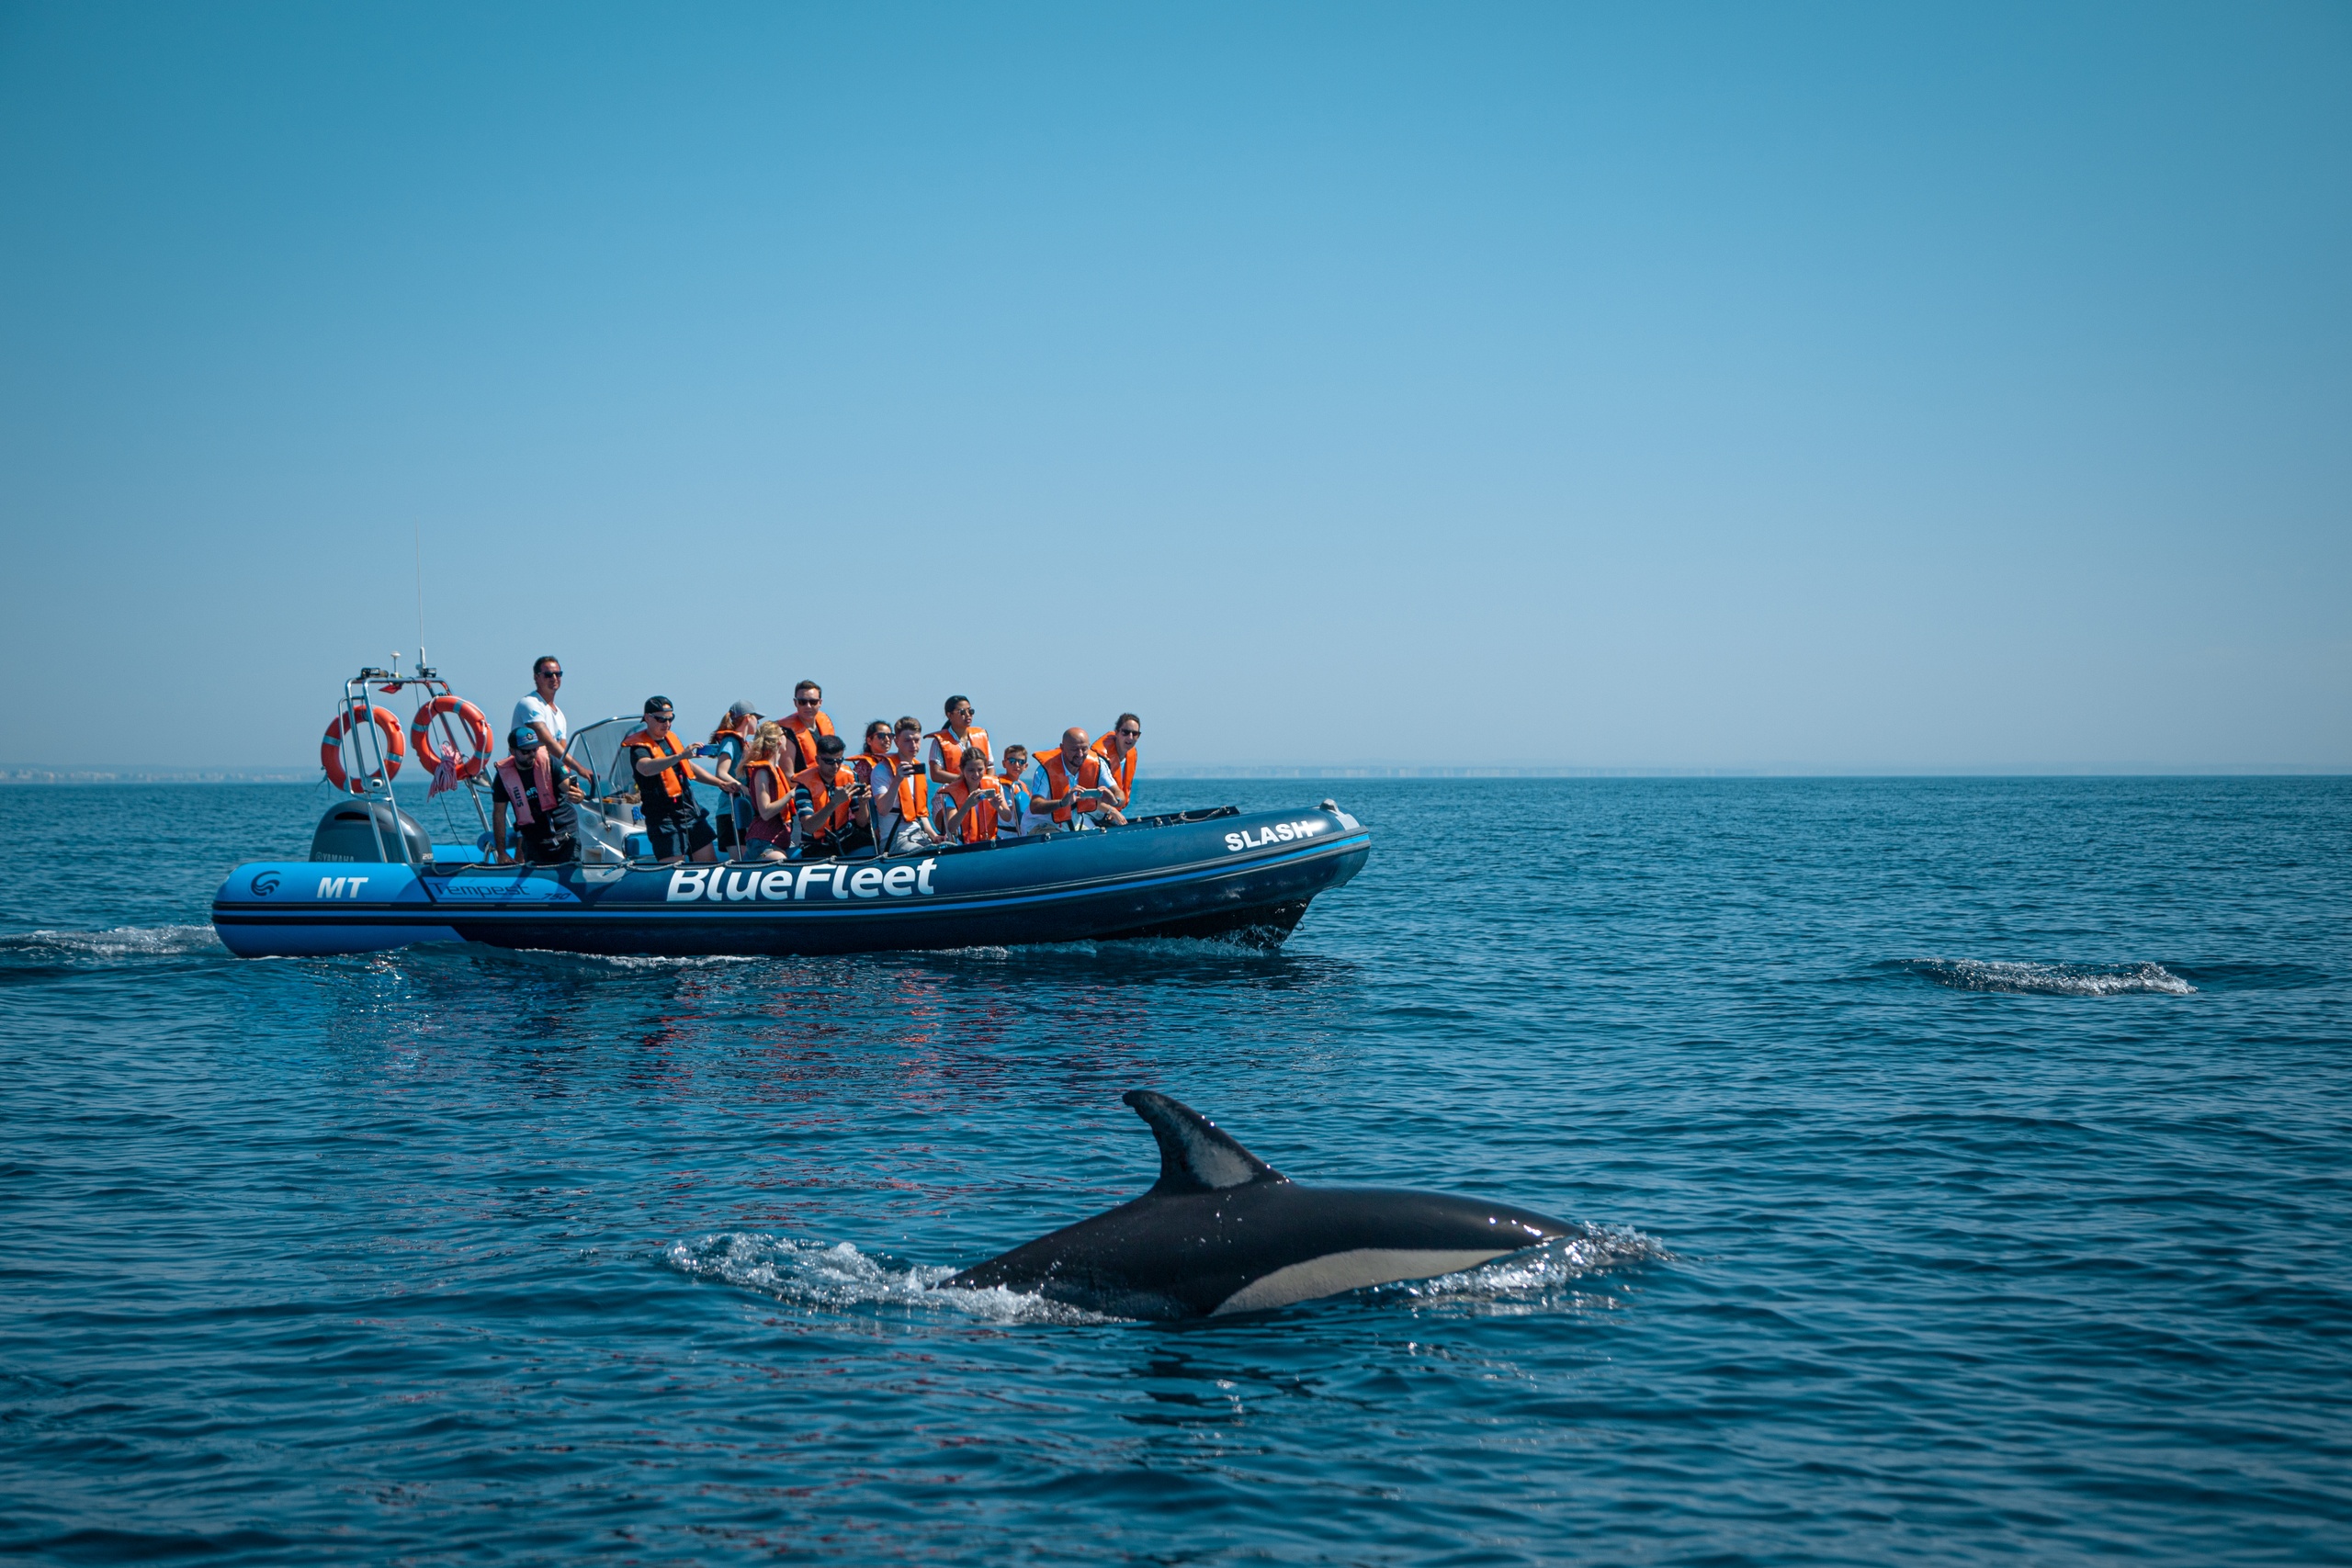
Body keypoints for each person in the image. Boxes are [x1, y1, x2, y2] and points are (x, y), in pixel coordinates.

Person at [625, 696, 735, 863]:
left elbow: (688, 767)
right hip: (663, 818)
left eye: (670, 719)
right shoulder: (639, 747)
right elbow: (645, 768)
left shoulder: (671, 739)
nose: (667, 724)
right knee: (673, 866)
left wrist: (720, 783)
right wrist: (681, 755)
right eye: (661, 719)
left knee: (709, 860)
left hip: (688, 811)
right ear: (647, 718)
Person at [490, 724, 584, 864]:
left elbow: (568, 786)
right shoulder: (503, 778)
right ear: (512, 751)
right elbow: (498, 814)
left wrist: (579, 795)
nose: (532, 754)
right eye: (525, 751)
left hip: (566, 836)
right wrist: (502, 853)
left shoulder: (550, 762)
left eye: (534, 749)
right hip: (535, 842)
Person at [791, 732, 870, 859]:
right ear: (818, 760)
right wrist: (834, 803)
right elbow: (809, 827)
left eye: (839, 761)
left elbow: (861, 822)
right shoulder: (804, 787)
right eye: (829, 761)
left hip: (847, 838)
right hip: (817, 845)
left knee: (872, 846)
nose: (835, 766)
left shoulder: (851, 777)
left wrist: (863, 803)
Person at [864, 717, 935, 853]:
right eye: (907, 741)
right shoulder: (882, 770)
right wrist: (897, 780)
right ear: (896, 742)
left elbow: (921, 815)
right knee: (925, 853)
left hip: (918, 835)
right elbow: (883, 809)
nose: (913, 745)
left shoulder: (917, 769)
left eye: (916, 740)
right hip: (895, 840)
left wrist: (935, 836)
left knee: (945, 848)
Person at [1033, 728, 1127, 829]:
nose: (1080, 754)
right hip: (1042, 824)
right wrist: (1061, 803)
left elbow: (1119, 793)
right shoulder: (1045, 770)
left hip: (1074, 823)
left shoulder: (1098, 765)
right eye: (1074, 749)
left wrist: (1115, 801)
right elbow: (1035, 806)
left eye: (1084, 749)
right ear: (1062, 748)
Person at [699, 702, 760, 858]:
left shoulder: (745, 744)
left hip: (745, 811)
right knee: (741, 860)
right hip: (732, 812)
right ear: (747, 718)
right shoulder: (731, 742)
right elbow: (721, 772)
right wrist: (744, 789)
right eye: (756, 718)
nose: (758, 722)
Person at [740, 722, 793, 862]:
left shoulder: (776, 769)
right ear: (779, 741)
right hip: (763, 842)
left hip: (779, 841)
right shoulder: (763, 772)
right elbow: (765, 812)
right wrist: (791, 795)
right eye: (784, 734)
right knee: (781, 864)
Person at [933, 746, 1004, 845]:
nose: (976, 774)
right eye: (971, 770)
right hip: (966, 846)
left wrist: (999, 807)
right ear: (962, 769)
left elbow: (1007, 817)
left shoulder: (995, 785)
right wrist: (967, 805)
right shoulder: (953, 793)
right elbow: (951, 827)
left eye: (980, 769)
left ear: (986, 767)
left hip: (991, 843)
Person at [924, 695, 992, 787]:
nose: (968, 715)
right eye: (962, 712)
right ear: (950, 715)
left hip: (980, 793)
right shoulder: (940, 741)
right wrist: (965, 780)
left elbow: (990, 767)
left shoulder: (982, 735)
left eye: (970, 711)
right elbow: (936, 774)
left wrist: (985, 785)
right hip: (953, 795)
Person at [513, 656, 568, 754]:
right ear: (536, 677)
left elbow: (564, 751)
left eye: (558, 674)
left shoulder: (560, 715)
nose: (554, 678)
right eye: (548, 675)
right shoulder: (529, 703)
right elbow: (548, 743)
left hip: (549, 768)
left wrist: (579, 768)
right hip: (526, 768)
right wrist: (580, 769)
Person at [779, 680, 836, 773]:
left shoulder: (825, 723)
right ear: (795, 703)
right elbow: (788, 776)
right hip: (802, 787)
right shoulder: (787, 733)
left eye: (813, 702)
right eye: (802, 702)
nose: (808, 706)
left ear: (820, 702)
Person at [1090, 714, 1142, 812]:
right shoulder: (1099, 760)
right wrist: (1111, 811)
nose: (1130, 737)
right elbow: (1087, 798)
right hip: (1092, 812)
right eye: (1125, 732)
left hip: (1112, 813)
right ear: (1117, 733)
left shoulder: (1131, 755)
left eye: (1135, 734)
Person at [995, 744, 1037, 840]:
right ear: (1004, 763)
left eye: (1021, 762)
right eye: (1012, 761)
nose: (1016, 765)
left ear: (1025, 766)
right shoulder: (999, 786)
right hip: (1005, 835)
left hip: (1021, 833)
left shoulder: (1022, 786)